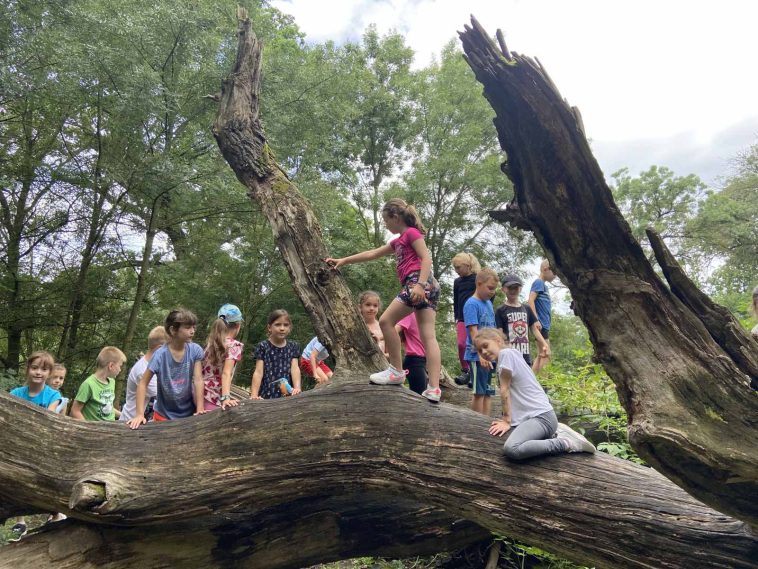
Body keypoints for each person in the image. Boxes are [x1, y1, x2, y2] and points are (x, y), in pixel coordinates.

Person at [326, 198, 443, 402]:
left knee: (386, 321)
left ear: (395, 217)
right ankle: (433, 388)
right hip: (428, 285)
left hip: (418, 281)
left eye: (386, 220)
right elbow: (372, 253)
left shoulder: (411, 233)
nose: (385, 224)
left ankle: (396, 371)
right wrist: (344, 261)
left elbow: (426, 258)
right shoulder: (398, 242)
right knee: (428, 337)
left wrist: (420, 285)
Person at [475, 328, 595, 460]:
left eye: (485, 346)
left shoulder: (506, 355)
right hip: (539, 417)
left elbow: (505, 390)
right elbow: (528, 378)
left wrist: (506, 421)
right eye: (479, 350)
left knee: (512, 449)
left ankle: (565, 443)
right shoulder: (512, 353)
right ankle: (555, 433)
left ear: (498, 340)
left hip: (541, 417)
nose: (484, 352)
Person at [8, 351, 60, 539]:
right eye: (35, 368)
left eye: (44, 369)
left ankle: (55, 514)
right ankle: (20, 521)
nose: (38, 372)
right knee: (17, 480)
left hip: (43, 445)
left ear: (49, 373)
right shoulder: (16, 394)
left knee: (49, 479)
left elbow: (48, 418)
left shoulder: (53, 395)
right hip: (19, 445)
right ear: (28, 369)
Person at [127, 309, 205, 429]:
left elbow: (198, 380)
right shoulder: (160, 355)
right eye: (188, 327)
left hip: (189, 413)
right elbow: (142, 383)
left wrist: (200, 408)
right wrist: (139, 415)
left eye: (193, 327)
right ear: (173, 330)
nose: (192, 331)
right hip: (163, 415)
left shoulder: (195, 350)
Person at [463, 268, 499, 415]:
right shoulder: (471, 304)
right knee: (479, 392)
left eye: (494, 289)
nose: (492, 292)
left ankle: (486, 422)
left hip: (490, 355)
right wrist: (481, 354)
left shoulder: (488, 303)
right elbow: (473, 332)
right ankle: (476, 422)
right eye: (490, 288)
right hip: (477, 356)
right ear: (479, 283)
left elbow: (492, 329)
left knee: (488, 391)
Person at [495, 274, 549, 367]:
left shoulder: (526, 308)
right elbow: (499, 333)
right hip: (509, 355)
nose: (513, 290)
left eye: (515, 288)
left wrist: (544, 344)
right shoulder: (500, 310)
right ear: (503, 289)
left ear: (520, 289)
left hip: (525, 356)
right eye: (510, 288)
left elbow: (534, 329)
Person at [250, 309, 302, 399]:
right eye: (278, 324)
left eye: (286, 325)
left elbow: (295, 369)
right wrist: (254, 395)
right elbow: (258, 372)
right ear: (269, 327)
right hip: (266, 395)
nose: (282, 328)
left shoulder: (294, 346)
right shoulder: (263, 346)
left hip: (288, 396)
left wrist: (297, 388)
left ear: (290, 327)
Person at [202, 304, 244, 411]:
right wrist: (226, 398)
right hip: (212, 396)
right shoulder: (234, 346)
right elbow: (226, 373)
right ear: (238, 325)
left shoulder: (211, 343)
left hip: (200, 391)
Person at [120, 326, 167, 423]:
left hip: (143, 421)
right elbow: (164, 394)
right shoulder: (142, 370)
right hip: (131, 421)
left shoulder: (153, 365)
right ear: (160, 349)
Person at [71, 347, 125, 422]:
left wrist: (124, 416)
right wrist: (88, 427)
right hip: (95, 427)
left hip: (111, 426)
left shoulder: (112, 382)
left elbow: (108, 408)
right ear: (111, 366)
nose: (120, 370)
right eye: (120, 366)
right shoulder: (88, 384)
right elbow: (75, 411)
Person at [452, 252, 480, 386]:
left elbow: (489, 295)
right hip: (462, 318)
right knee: (461, 344)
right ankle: (466, 370)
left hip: (476, 318)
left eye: (458, 267)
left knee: (475, 344)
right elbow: (456, 301)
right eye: (454, 268)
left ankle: (475, 373)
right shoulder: (457, 282)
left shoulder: (477, 279)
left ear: (468, 265)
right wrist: (456, 318)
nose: (456, 270)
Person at [528, 259, 556, 372]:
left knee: (541, 355)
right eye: (554, 272)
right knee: (546, 354)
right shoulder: (539, 282)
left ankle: (532, 379)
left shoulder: (544, 286)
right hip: (540, 324)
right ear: (545, 269)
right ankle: (544, 382)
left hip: (544, 324)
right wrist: (535, 320)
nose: (555, 275)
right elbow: (530, 300)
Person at [396, 312, 426, 395]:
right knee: (420, 395)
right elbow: (393, 330)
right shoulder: (410, 314)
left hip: (421, 361)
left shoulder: (424, 315)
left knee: (421, 394)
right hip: (414, 361)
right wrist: (380, 337)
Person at [358, 291, 386, 355]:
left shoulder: (382, 327)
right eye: (368, 305)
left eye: (375, 305)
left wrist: (380, 355)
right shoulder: (355, 326)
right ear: (360, 307)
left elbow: (390, 354)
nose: (371, 308)